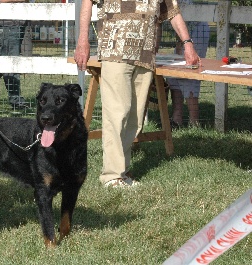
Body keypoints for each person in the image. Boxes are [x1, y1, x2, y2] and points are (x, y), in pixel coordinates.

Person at [74, 0, 199, 188]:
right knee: (117, 113)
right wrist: (83, 39)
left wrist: (188, 44)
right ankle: (111, 176)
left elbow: (173, 12)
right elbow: (87, 2)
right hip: (115, 50)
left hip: (145, 56)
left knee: (135, 118)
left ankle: (122, 171)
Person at [166, 0, 210, 127]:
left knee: (190, 71)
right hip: (183, 32)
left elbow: (178, 14)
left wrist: (184, 43)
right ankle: (176, 118)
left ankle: (194, 121)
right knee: (173, 74)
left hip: (195, 29)